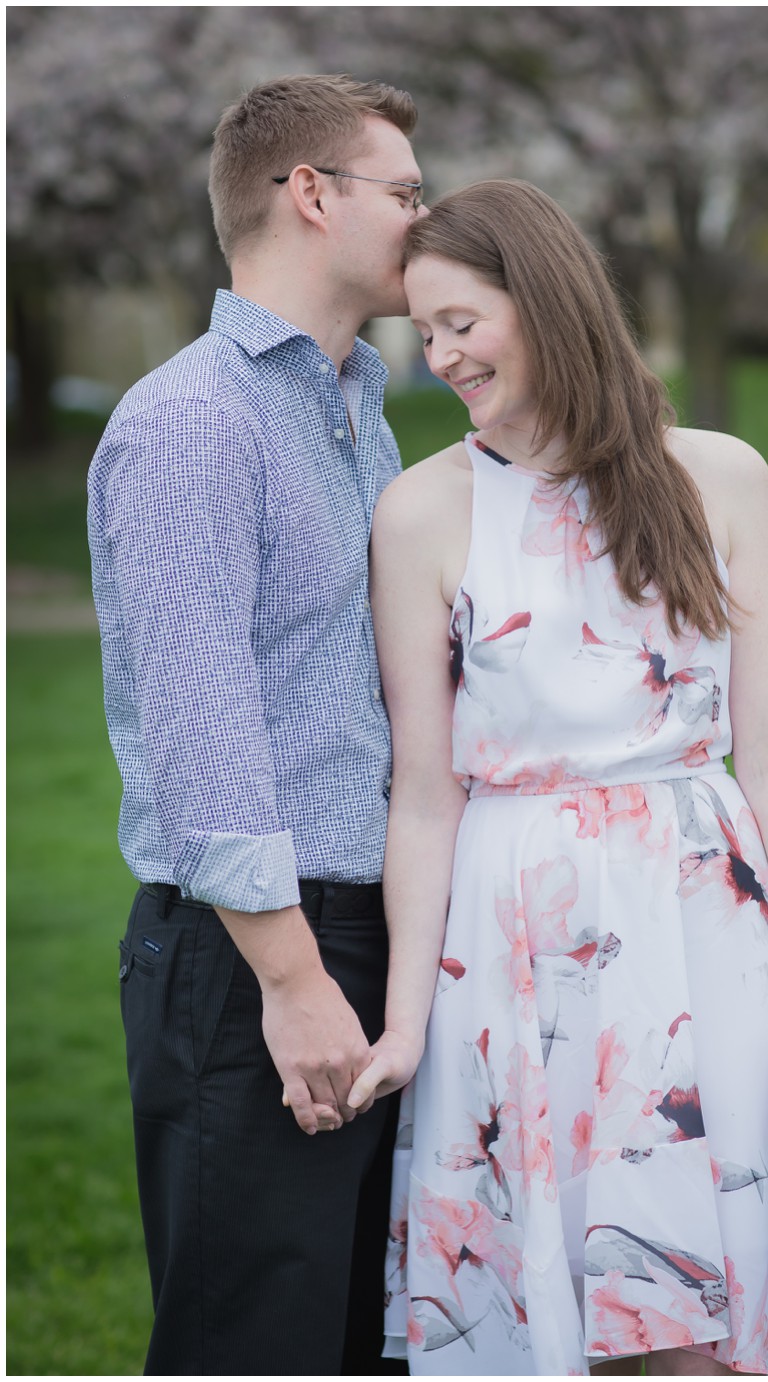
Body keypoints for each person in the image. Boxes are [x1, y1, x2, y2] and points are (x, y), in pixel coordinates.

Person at [341, 179, 768, 1375]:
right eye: (422, 331)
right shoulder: (420, 512)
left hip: (709, 927)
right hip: (519, 947)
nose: (438, 355)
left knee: (719, 1325)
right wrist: (404, 1019)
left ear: (544, 301)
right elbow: (427, 792)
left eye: (461, 321)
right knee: (571, 1323)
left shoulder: (721, 476)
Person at [87, 74, 427, 1373]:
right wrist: (293, 981)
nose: (424, 216)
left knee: (373, 1339)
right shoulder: (194, 418)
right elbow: (200, 726)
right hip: (257, 955)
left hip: (377, 931)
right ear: (310, 195)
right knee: (260, 1343)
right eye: (404, 192)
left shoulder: (359, 409)